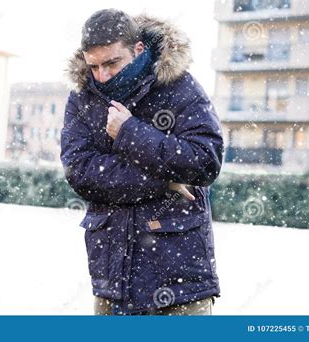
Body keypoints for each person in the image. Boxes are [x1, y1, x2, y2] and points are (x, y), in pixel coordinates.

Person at [60, 9, 224, 315]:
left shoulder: (180, 86)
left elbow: (205, 160)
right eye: (93, 66)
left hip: (180, 284)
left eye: (111, 63)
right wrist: (163, 181)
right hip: (113, 281)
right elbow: (80, 172)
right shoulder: (82, 97)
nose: (102, 75)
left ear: (138, 50)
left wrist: (129, 132)